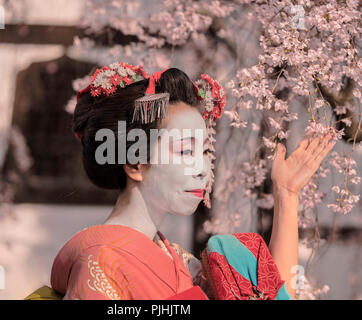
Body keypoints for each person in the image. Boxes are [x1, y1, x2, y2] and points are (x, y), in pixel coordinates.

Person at [46, 63, 336, 300]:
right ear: (135, 163)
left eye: (206, 151)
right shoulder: (101, 261)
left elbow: (273, 293)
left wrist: (286, 196)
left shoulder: (176, 259)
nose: (203, 170)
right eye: (186, 150)